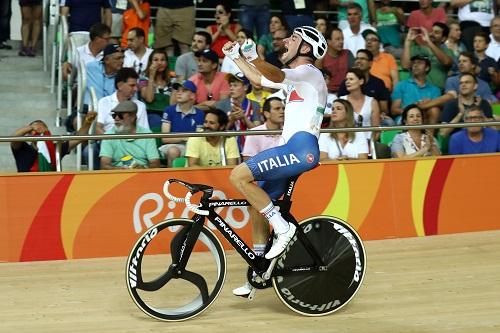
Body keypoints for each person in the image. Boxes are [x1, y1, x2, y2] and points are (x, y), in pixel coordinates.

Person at [222, 25, 328, 262]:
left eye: (294, 38)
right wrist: (236, 57)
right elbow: (260, 80)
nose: (287, 40)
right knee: (258, 203)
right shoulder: (296, 81)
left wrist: (254, 57)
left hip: (300, 149)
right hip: (294, 149)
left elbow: (275, 75)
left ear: (306, 47)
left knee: (238, 176)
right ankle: (259, 267)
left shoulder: (311, 73)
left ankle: (282, 228)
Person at [232, 96, 285, 297]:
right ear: (266, 113)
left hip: (282, 180)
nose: (282, 111)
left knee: (256, 207)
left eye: (283, 108)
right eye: (277, 108)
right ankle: (260, 264)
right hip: (262, 182)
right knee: (255, 207)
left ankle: (258, 265)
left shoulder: (287, 133)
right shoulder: (255, 133)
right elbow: (248, 166)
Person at [11, 112, 97, 172]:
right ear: (29, 134)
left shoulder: (56, 148)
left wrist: (88, 122)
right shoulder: (22, 148)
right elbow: (14, 137)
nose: (40, 131)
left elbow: (78, 138)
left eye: (43, 129)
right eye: (36, 128)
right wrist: (31, 128)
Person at [100, 100, 160, 169]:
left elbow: (155, 164)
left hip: (142, 174)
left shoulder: (147, 134)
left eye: (120, 116)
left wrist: (142, 168)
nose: (116, 118)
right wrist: (119, 170)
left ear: (132, 117)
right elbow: (104, 165)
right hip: (117, 175)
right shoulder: (109, 135)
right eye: (114, 115)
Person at [338, 50, 391, 126]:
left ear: (370, 63)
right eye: (357, 58)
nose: (358, 61)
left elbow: (384, 109)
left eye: (362, 59)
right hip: (349, 121)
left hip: (373, 117)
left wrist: (377, 114)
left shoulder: (378, 83)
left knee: (388, 122)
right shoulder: (345, 83)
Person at [159, 80, 204, 167]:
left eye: (183, 91)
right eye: (178, 90)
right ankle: (171, 178)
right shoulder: (169, 110)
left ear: (192, 96)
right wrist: (184, 138)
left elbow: (199, 137)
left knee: (196, 152)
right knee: (173, 151)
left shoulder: (200, 114)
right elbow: (165, 138)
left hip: (192, 146)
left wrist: (187, 139)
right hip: (171, 145)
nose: (179, 93)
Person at [215, 72, 262, 150]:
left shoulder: (255, 105)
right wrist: (232, 119)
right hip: (228, 148)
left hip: (250, 147)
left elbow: (257, 131)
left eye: (235, 85)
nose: (231, 88)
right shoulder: (221, 105)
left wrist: (244, 117)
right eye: (230, 85)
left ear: (245, 87)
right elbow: (217, 132)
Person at [440, 73, 494, 138]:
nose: (463, 85)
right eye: (461, 83)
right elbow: (443, 133)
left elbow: (494, 129)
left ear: (475, 86)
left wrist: (479, 111)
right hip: (459, 143)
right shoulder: (451, 104)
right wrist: (460, 114)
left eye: (467, 82)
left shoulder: (483, 103)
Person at [391, 55, 441, 124]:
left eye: (419, 63)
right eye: (414, 63)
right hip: (405, 118)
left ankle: (430, 134)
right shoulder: (401, 85)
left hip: (425, 119)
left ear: (427, 68)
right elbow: (394, 110)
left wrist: (427, 104)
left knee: (434, 110)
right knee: (414, 118)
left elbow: (435, 112)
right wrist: (411, 112)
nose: (415, 65)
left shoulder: (435, 90)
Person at [340, 67, 381, 140]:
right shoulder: (341, 101)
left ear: (361, 81)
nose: (347, 82)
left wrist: (370, 145)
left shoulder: (372, 102)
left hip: (368, 142)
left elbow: (376, 130)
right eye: (346, 79)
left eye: (351, 79)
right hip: (347, 142)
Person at [139, 49, 173, 129]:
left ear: (167, 62)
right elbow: (149, 99)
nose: (159, 63)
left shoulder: (172, 80)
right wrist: (151, 76)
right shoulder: (143, 79)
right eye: (156, 60)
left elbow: (172, 105)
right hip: (150, 115)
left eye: (162, 60)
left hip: (167, 115)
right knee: (156, 121)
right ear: (150, 62)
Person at [320, 27, 354, 95]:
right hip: (327, 94)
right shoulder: (321, 57)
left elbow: (354, 75)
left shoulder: (348, 54)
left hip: (346, 92)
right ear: (329, 41)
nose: (341, 42)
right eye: (338, 39)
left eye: (342, 39)